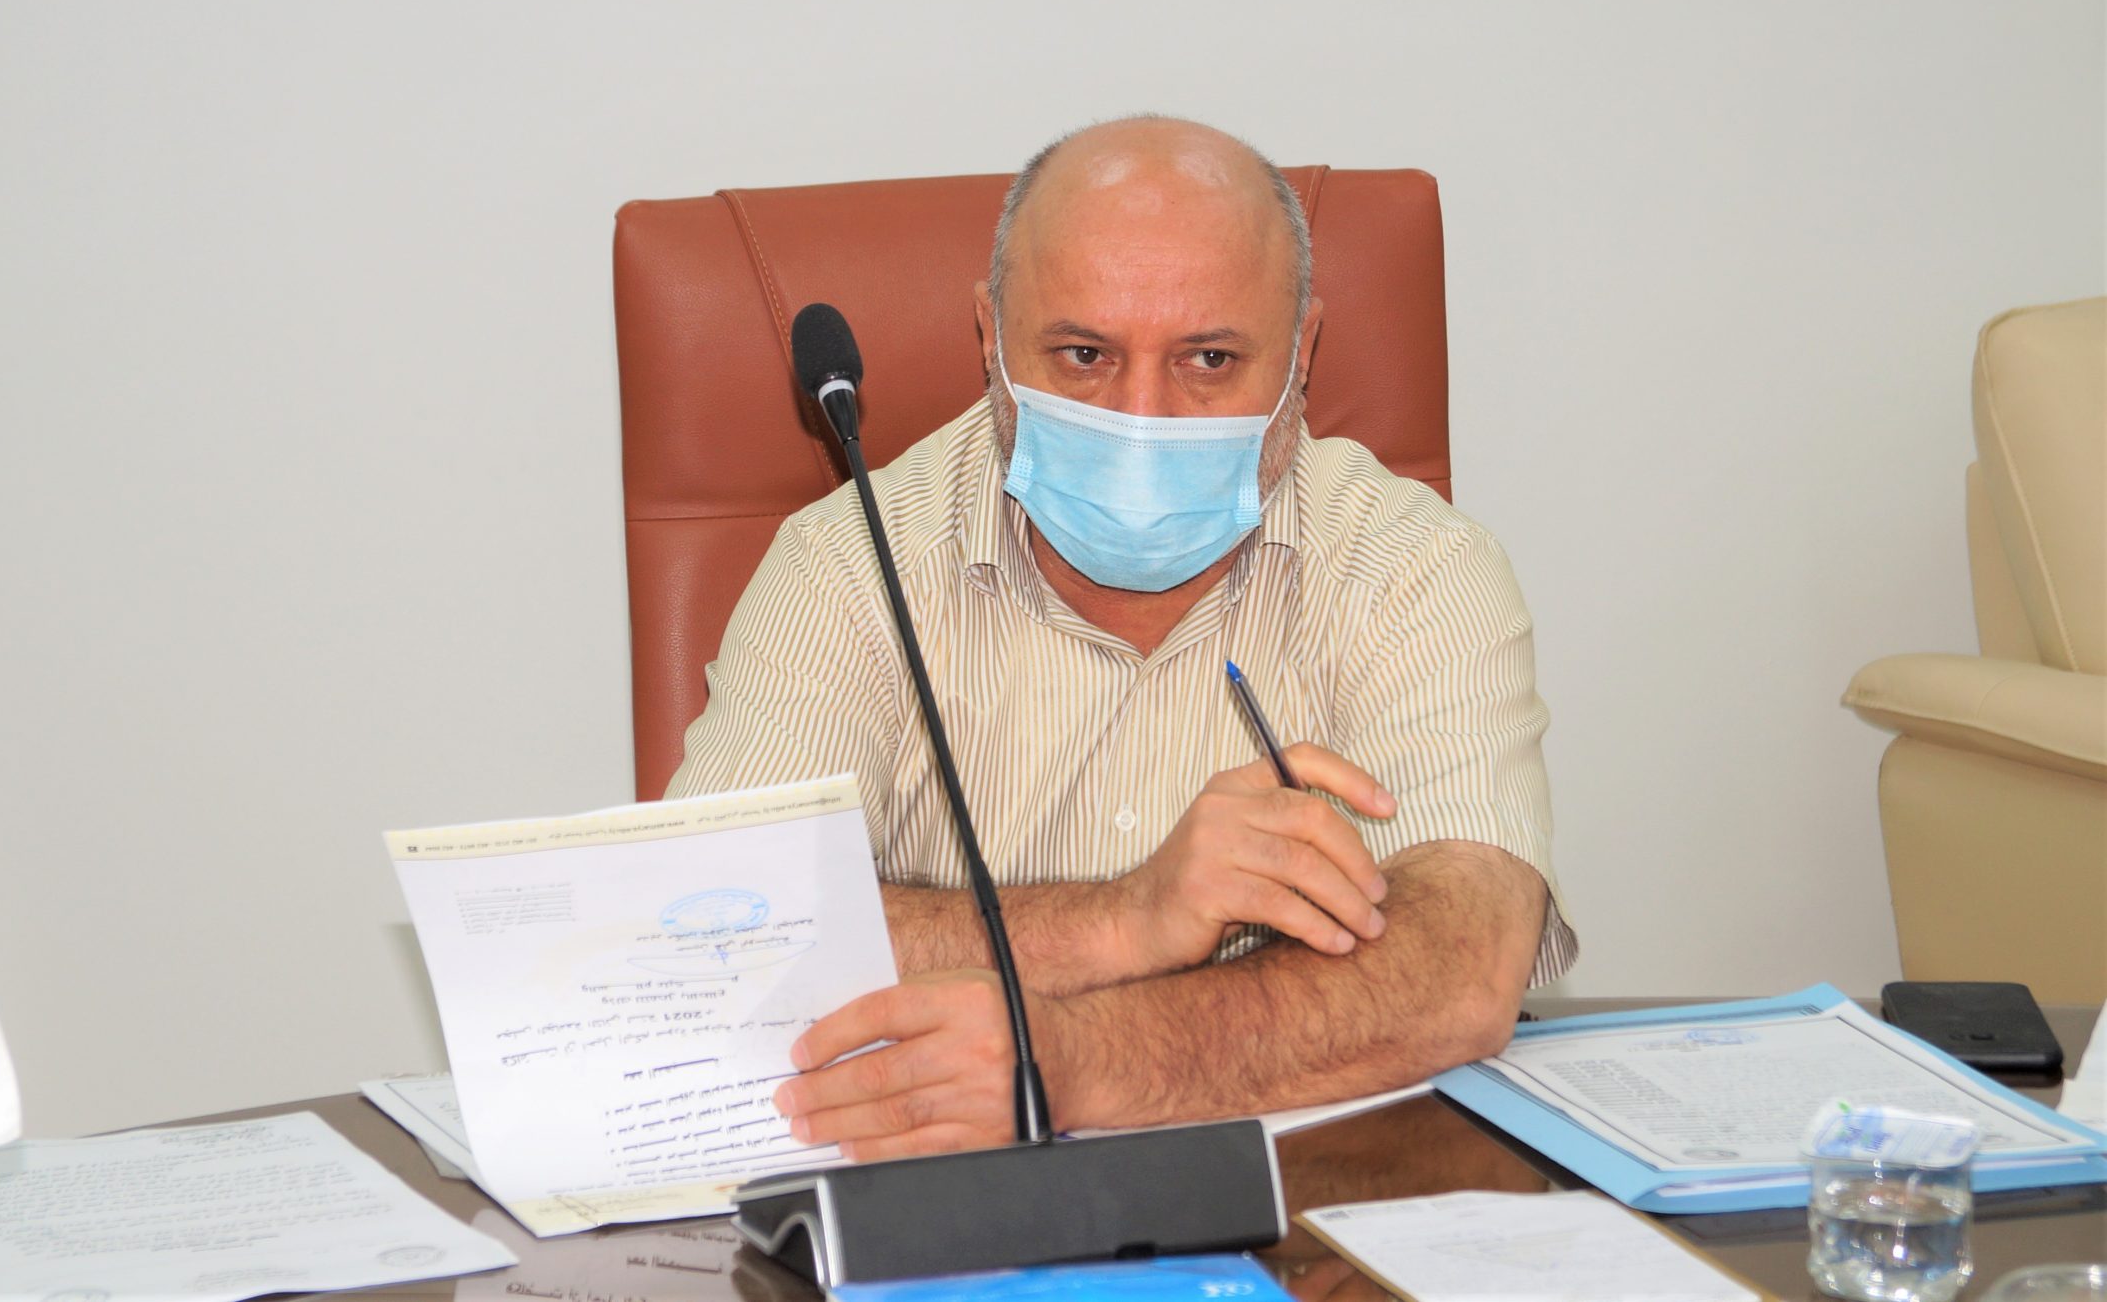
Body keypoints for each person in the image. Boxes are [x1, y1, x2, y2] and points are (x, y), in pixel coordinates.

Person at [664, 115, 1574, 1161]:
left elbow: (1462, 964)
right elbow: (712, 939)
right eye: (1084, 355)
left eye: (1210, 358)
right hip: (942, 1200)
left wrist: (1077, 1064)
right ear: (990, 337)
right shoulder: (847, 562)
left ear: (1302, 353)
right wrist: (1125, 918)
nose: (1144, 418)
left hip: (1311, 1203)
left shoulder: (1414, 565)